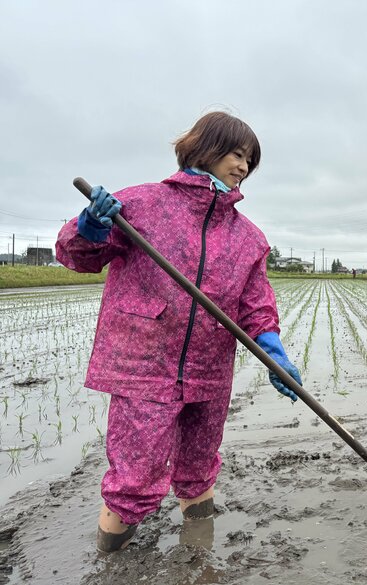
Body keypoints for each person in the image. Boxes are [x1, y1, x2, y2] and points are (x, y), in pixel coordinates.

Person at [56, 111, 302, 553]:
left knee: (198, 468)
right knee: (134, 477)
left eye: (251, 160)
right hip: (144, 366)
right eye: (236, 153)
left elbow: (257, 305)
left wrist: (273, 350)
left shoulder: (249, 238)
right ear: (204, 147)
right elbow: (77, 255)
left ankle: (198, 557)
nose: (244, 167)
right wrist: (91, 226)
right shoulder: (143, 205)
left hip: (210, 372)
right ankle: (108, 564)